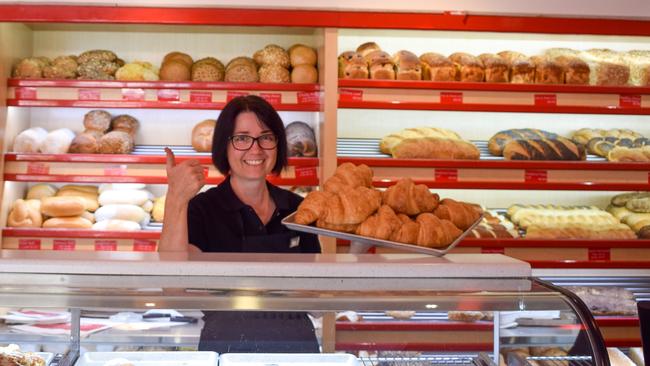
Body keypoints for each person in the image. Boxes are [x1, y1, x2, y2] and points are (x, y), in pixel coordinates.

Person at [159, 95, 321, 353]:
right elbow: (174, 289)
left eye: (266, 137)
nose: (255, 149)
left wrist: (357, 245)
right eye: (242, 138)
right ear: (224, 146)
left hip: (296, 350)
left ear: (277, 144)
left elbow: (316, 300)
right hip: (226, 348)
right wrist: (176, 198)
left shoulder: (297, 209)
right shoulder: (203, 209)